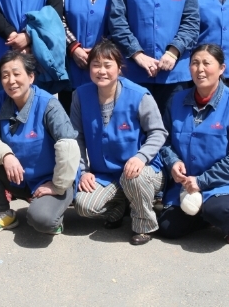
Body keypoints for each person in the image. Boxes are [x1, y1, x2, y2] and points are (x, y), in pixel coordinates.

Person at [157, 44, 229, 246]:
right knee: (168, 227)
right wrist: (173, 162)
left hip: (225, 181)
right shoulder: (176, 101)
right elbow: (164, 140)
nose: (200, 69)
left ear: (221, 68)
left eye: (207, 63)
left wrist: (203, 181)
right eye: (195, 63)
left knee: (219, 210)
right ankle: (205, 216)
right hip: (187, 183)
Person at [71, 40, 167, 245]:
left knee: (134, 179)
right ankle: (119, 206)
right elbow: (76, 137)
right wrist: (83, 170)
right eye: (96, 65)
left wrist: (141, 157)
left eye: (108, 65)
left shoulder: (139, 95)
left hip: (143, 169)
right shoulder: (80, 95)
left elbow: (158, 132)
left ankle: (144, 225)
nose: (101, 71)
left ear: (119, 67)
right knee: (83, 204)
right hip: (106, 174)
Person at [0, 51, 79, 236]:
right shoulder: (0, 101)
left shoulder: (48, 104)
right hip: (20, 178)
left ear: (31, 77)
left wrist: (57, 185)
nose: (11, 80)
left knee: (42, 221)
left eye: (16, 74)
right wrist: (6, 156)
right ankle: (2, 211)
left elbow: (68, 146)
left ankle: (53, 210)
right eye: (5, 76)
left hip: (50, 180)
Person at [59, 0, 122, 113]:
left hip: (106, 68)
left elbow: (122, 23)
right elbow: (58, 19)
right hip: (71, 67)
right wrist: (74, 48)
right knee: (69, 119)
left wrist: (99, 51)